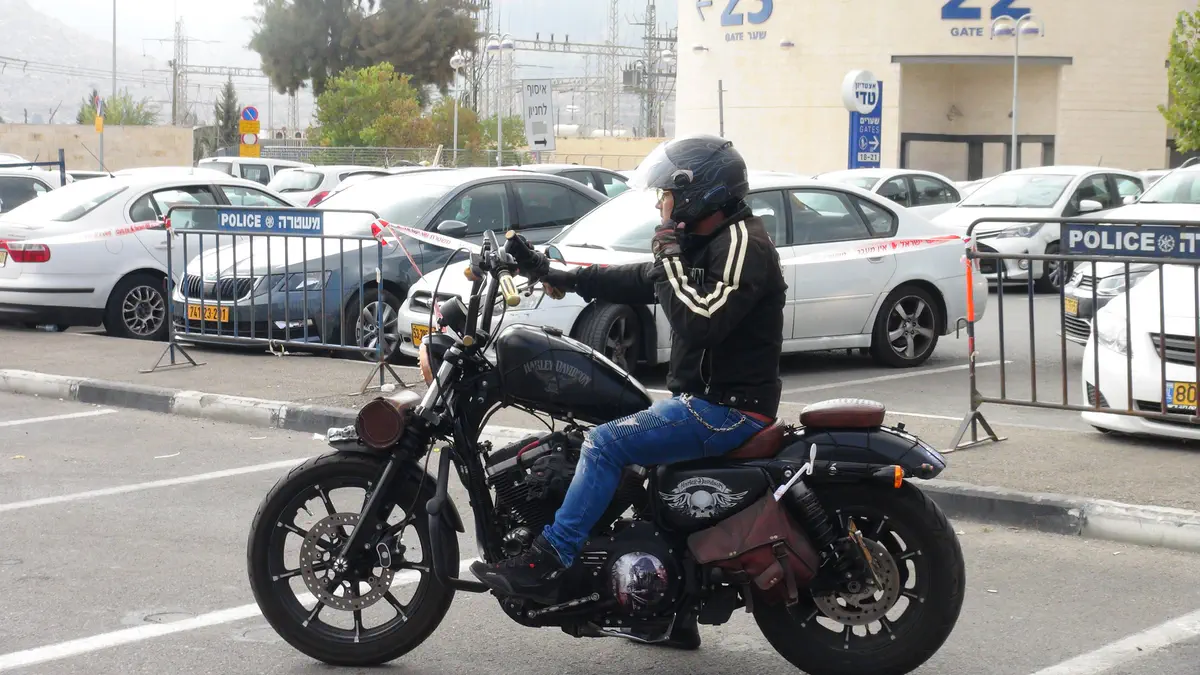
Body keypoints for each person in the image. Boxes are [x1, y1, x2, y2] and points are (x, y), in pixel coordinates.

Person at [470, 134, 787, 649]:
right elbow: (640, 279)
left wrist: (669, 260)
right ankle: (669, 618)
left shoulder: (741, 244)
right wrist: (556, 273)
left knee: (605, 444)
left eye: (667, 195)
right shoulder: (712, 240)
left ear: (697, 193)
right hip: (705, 402)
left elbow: (702, 320)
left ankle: (550, 559)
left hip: (725, 409)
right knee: (636, 468)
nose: (661, 205)